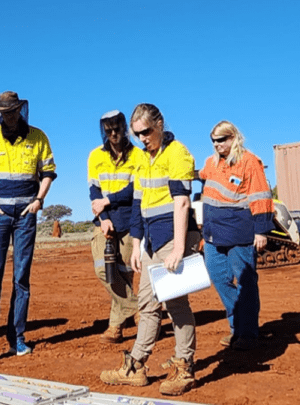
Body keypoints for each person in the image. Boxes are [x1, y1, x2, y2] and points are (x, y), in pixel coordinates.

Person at [100, 103, 201, 396]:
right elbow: (138, 204)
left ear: (159, 124)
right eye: (138, 134)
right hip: (151, 238)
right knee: (146, 303)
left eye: (146, 131)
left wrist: (180, 248)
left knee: (175, 303)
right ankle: (136, 366)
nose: (142, 138)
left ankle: (185, 366)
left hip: (173, 235)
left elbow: (182, 202)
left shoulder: (178, 153)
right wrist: (136, 244)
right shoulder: (143, 159)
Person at [0, 91, 56, 363]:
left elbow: (49, 172)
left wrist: (39, 200)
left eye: (13, 111)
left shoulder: (38, 136)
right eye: (4, 112)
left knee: (21, 277)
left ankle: (17, 339)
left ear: (21, 110)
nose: (9, 116)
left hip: (26, 214)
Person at [198, 120, 273, 351]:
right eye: (214, 141)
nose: (217, 145)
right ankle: (237, 325)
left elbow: (261, 195)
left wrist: (261, 230)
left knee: (246, 283)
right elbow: (198, 176)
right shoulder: (211, 163)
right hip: (213, 232)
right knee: (219, 278)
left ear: (233, 137)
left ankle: (247, 333)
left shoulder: (249, 161)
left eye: (222, 140)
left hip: (240, 231)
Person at [87, 110, 141, 344]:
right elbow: (94, 191)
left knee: (124, 274)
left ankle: (115, 327)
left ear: (124, 129)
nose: (113, 135)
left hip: (130, 219)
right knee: (104, 270)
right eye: (108, 131)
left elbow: (136, 190)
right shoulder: (95, 156)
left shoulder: (138, 156)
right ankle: (140, 309)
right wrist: (104, 217)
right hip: (105, 221)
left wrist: (109, 201)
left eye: (117, 130)